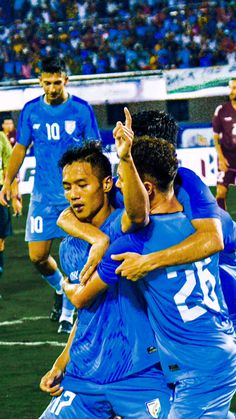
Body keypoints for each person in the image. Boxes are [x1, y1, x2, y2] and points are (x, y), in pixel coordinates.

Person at [74, 137, 235, 418]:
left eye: (124, 179)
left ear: (146, 188)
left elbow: (82, 297)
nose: (120, 186)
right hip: (214, 351)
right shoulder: (204, 226)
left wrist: (69, 284)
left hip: (199, 370)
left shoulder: (132, 243)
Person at [39, 138, 171, 418]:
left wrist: (125, 157)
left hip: (139, 374)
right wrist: (61, 363)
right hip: (84, 378)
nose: (73, 194)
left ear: (107, 184)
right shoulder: (70, 247)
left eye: (82, 185)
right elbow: (86, 313)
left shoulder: (129, 228)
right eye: (67, 187)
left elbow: (138, 214)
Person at [0, 56, 101, 334]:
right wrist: (8, 181)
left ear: (65, 81)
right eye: (47, 83)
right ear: (40, 82)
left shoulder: (81, 109)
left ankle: (71, 311)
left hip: (75, 195)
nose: (53, 88)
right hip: (43, 196)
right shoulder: (31, 110)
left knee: (75, 256)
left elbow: (94, 149)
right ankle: (61, 289)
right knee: (37, 257)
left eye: (57, 82)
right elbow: (20, 148)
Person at [213, 77, 236, 210]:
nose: (232, 91)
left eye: (235, 88)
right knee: (220, 193)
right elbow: (216, 137)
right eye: (230, 88)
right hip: (227, 157)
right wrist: (221, 158)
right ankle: (224, 225)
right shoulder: (221, 110)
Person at [1, 116, 22, 216]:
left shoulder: (14, 135)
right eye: (7, 123)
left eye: (11, 123)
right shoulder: (3, 136)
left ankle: (17, 205)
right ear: (3, 125)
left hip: (11, 166)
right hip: (4, 171)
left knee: (15, 183)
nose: (10, 126)